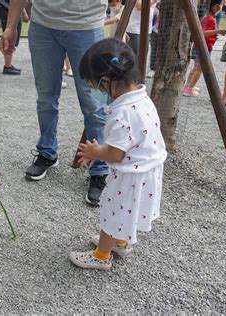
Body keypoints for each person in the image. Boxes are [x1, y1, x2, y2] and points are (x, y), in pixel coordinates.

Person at [68, 38, 167, 270]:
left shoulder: (121, 112)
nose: (96, 90)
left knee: (112, 213)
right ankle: (121, 242)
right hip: (148, 171)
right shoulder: (142, 97)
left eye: (96, 85)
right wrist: (100, 153)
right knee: (127, 210)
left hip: (131, 176)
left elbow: (114, 154)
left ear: (107, 81)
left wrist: (95, 151)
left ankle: (101, 255)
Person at [0, 0, 110, 206]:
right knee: (46, 97)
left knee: (94, 103)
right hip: (43, 24)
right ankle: (47, 152)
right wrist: (10, 26)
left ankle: (101, 167)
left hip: (87, 24)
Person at [183, 0, 226, 97]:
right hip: (204, 47)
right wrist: (217, 31)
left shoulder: (206, 18)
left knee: (196, 67)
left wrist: (214, 34)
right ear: (215, 6)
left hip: (203, 46)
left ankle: (187, 86)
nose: (220, 8)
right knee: (200, 69)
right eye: (219, 5)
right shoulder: (210, 19)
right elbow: (201, 33)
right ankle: (189, 88)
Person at [0, 0, 29, 75]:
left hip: (5, 11)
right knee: (10, 37)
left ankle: (8, 64)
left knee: (11, 36)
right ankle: (7, 65)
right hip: (8, 12)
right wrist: (24, 13)